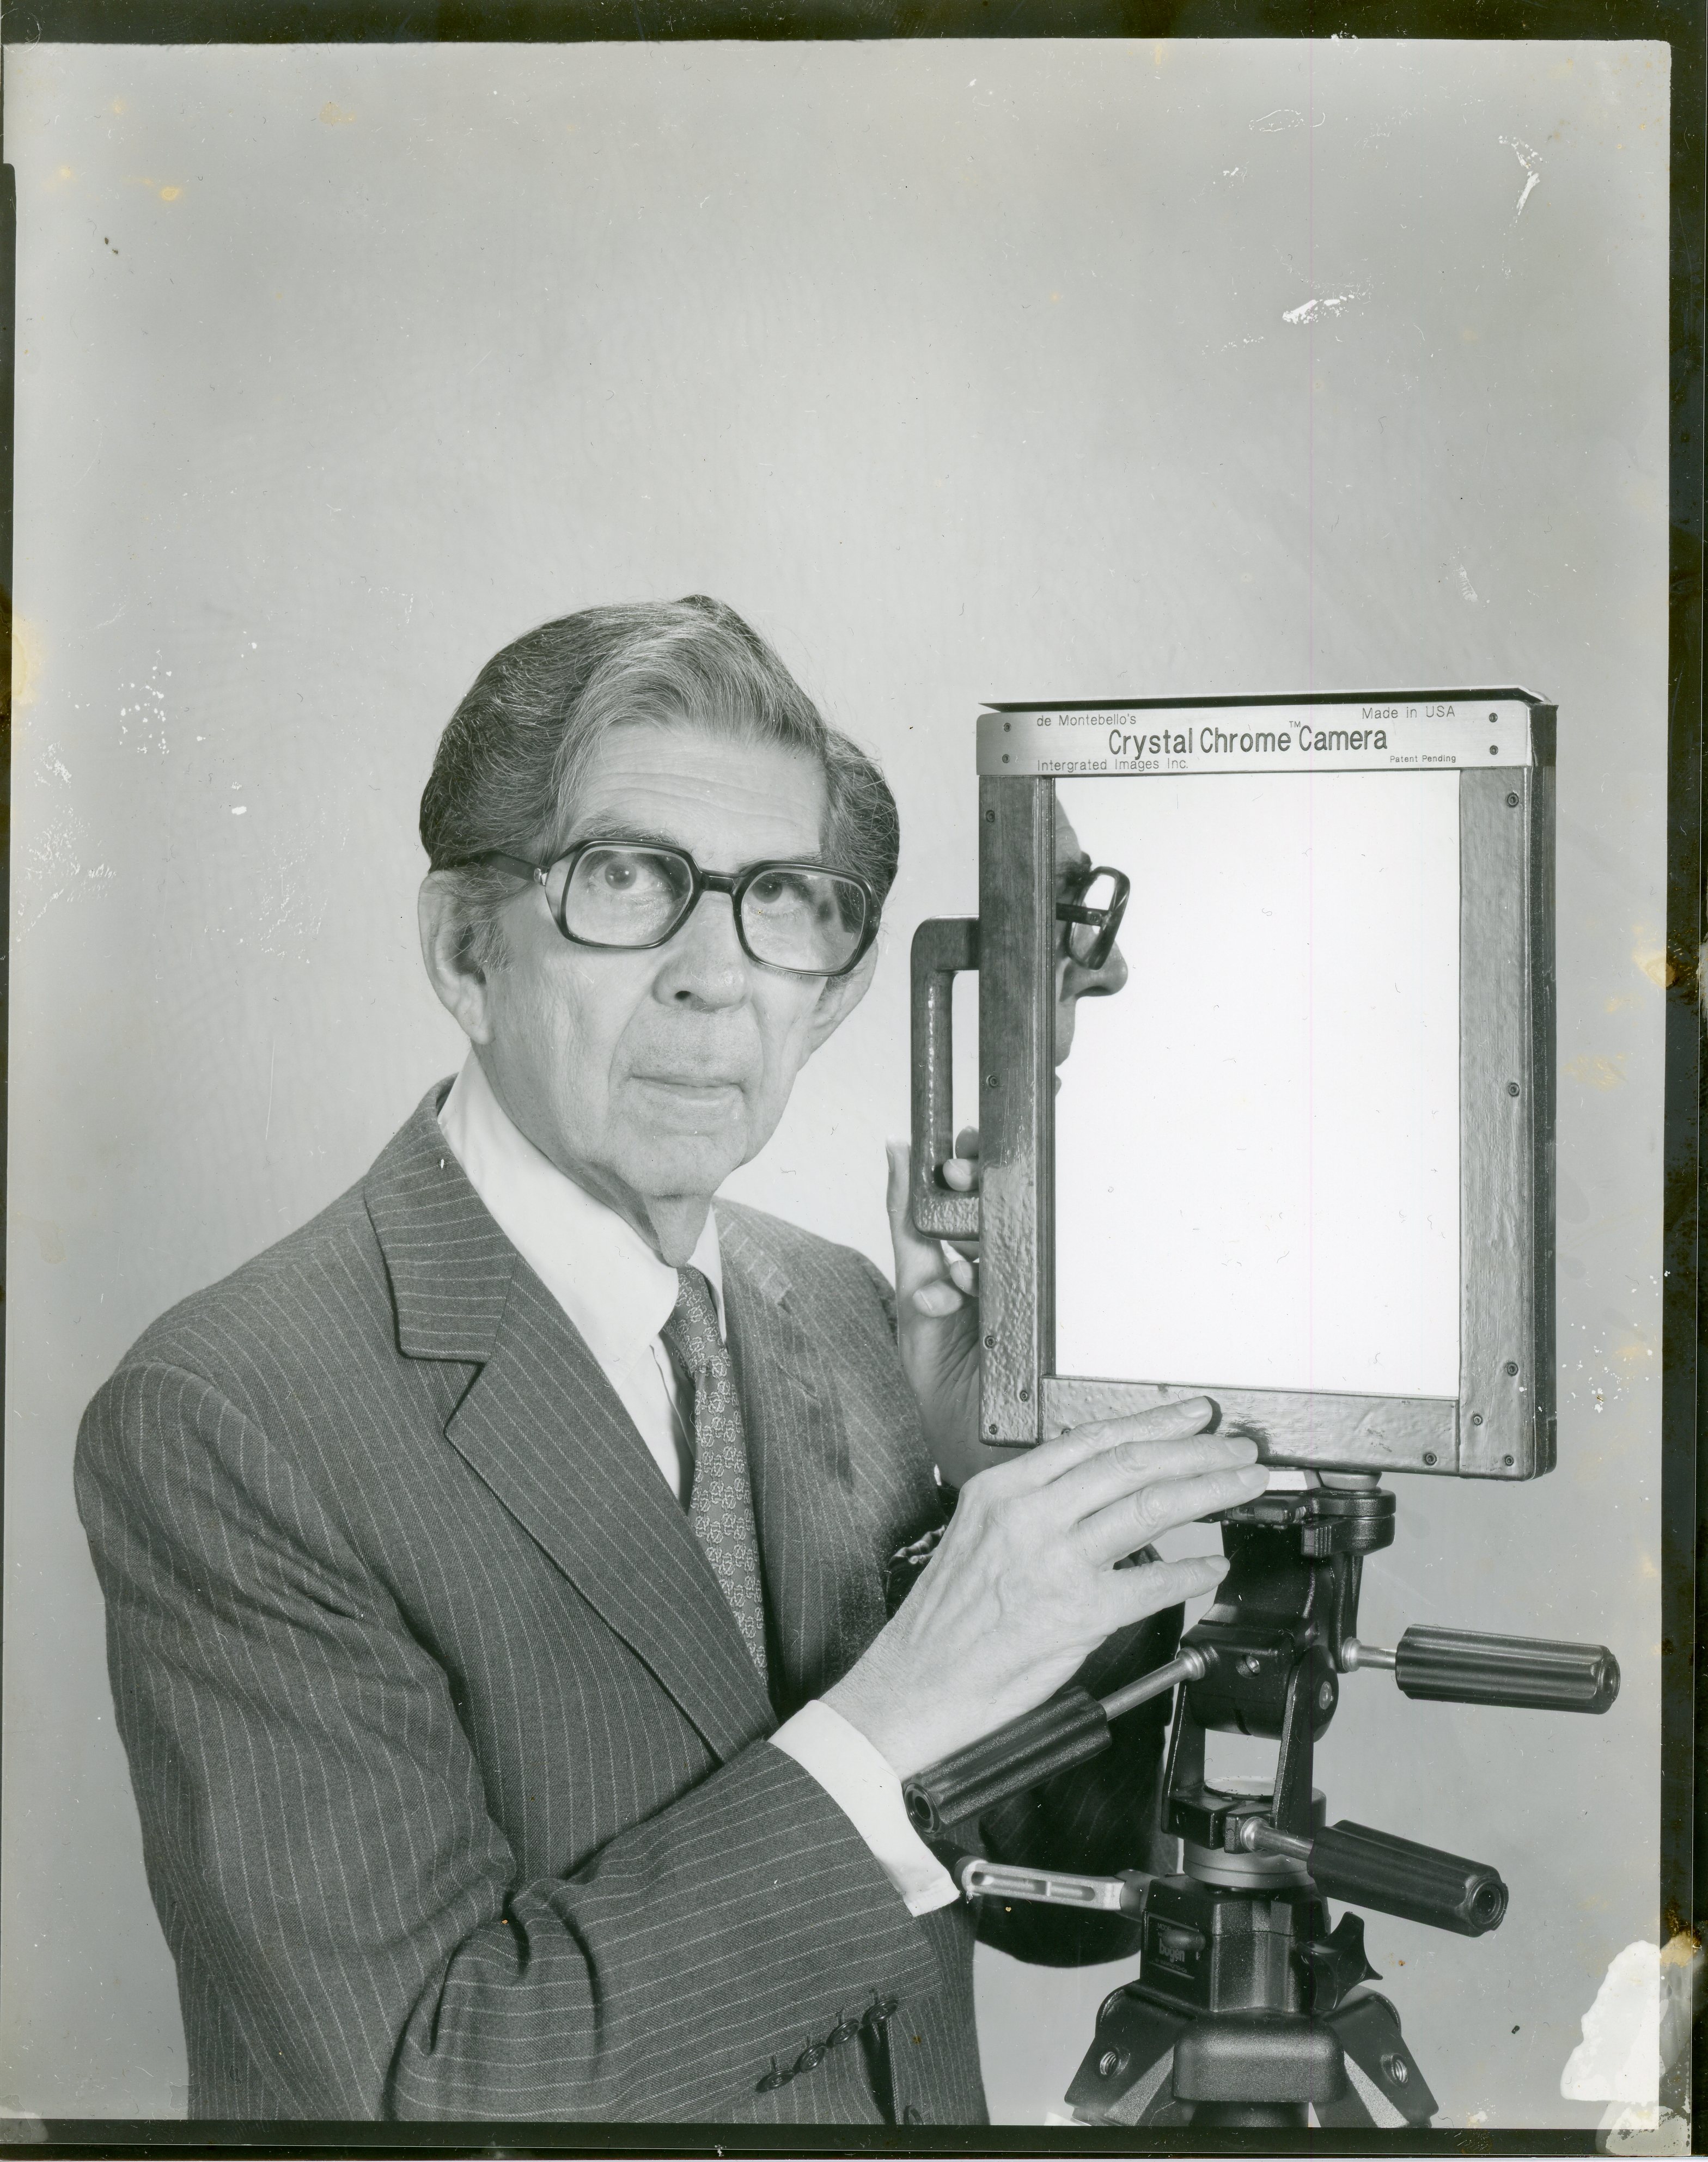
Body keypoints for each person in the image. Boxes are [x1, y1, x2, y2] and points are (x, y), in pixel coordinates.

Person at [76, 597, 1266, 2124]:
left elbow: (1055, 1889)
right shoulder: (233, 1414)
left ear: (832, 990)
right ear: (465, 950)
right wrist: (891, 1712)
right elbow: (421, 2095)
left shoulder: (840, 1308)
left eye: (784, 900)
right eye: (628, 880)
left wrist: (1009, 1488)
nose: (717, 978)